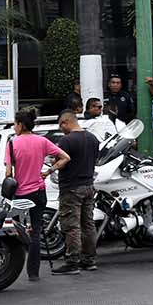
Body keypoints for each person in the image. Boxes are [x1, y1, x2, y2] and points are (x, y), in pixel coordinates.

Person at [50, 107, 101, 272]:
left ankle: (72, 261)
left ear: (66, 122)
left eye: (60, 125)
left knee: (71, 226)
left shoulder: (66, 141)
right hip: (88, 186)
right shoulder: (93, 139)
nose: (60, 129)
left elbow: (58, 162)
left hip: (71, 188)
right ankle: (89, 260)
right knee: (88, 224)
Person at [7, 107, 54, 280]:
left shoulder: (12, 143)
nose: (13, 127)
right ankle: (33, 273)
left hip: (21, 194)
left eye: (15, 124)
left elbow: (8, 173)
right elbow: (64, 157)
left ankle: (12, 267)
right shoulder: (42, 141)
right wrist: (48, 172)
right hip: (39, 192)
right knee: (35, 232)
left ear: (20, 124)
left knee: (18, 231)